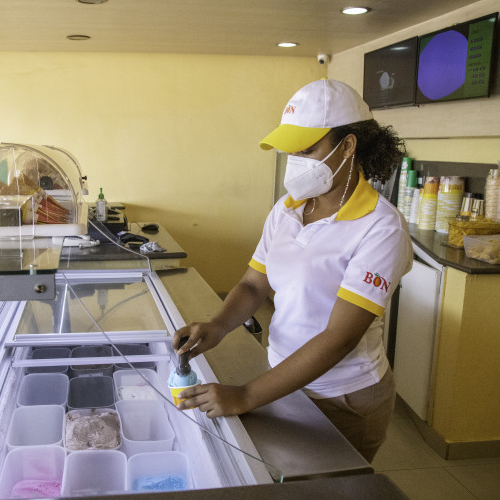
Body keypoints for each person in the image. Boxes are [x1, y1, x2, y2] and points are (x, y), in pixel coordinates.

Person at [172, 78, 413, 462]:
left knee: (327, 490)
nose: (296, 161)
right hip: (281, 379)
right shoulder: (287, 209)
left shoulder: (381, 227)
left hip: (343, 397)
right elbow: (254, 284)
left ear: (348, 146)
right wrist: (217, 326)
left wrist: (246, 395)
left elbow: (339, 337)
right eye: (292, 151)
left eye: (308, 149)